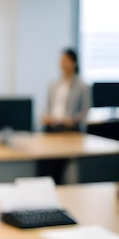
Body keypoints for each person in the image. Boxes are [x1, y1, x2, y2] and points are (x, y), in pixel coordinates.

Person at [38, 48, 91, 183]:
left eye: (66, 60)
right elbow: (48, 107)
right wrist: (46, 116)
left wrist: (74, 120)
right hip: (52, 129)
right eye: (61, 61)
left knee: (63, 166)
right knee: (45, 164)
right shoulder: (54, 85)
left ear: (74, 63)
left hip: (69, 130)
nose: (62, 64)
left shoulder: (83, 86)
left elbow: (85, 110)